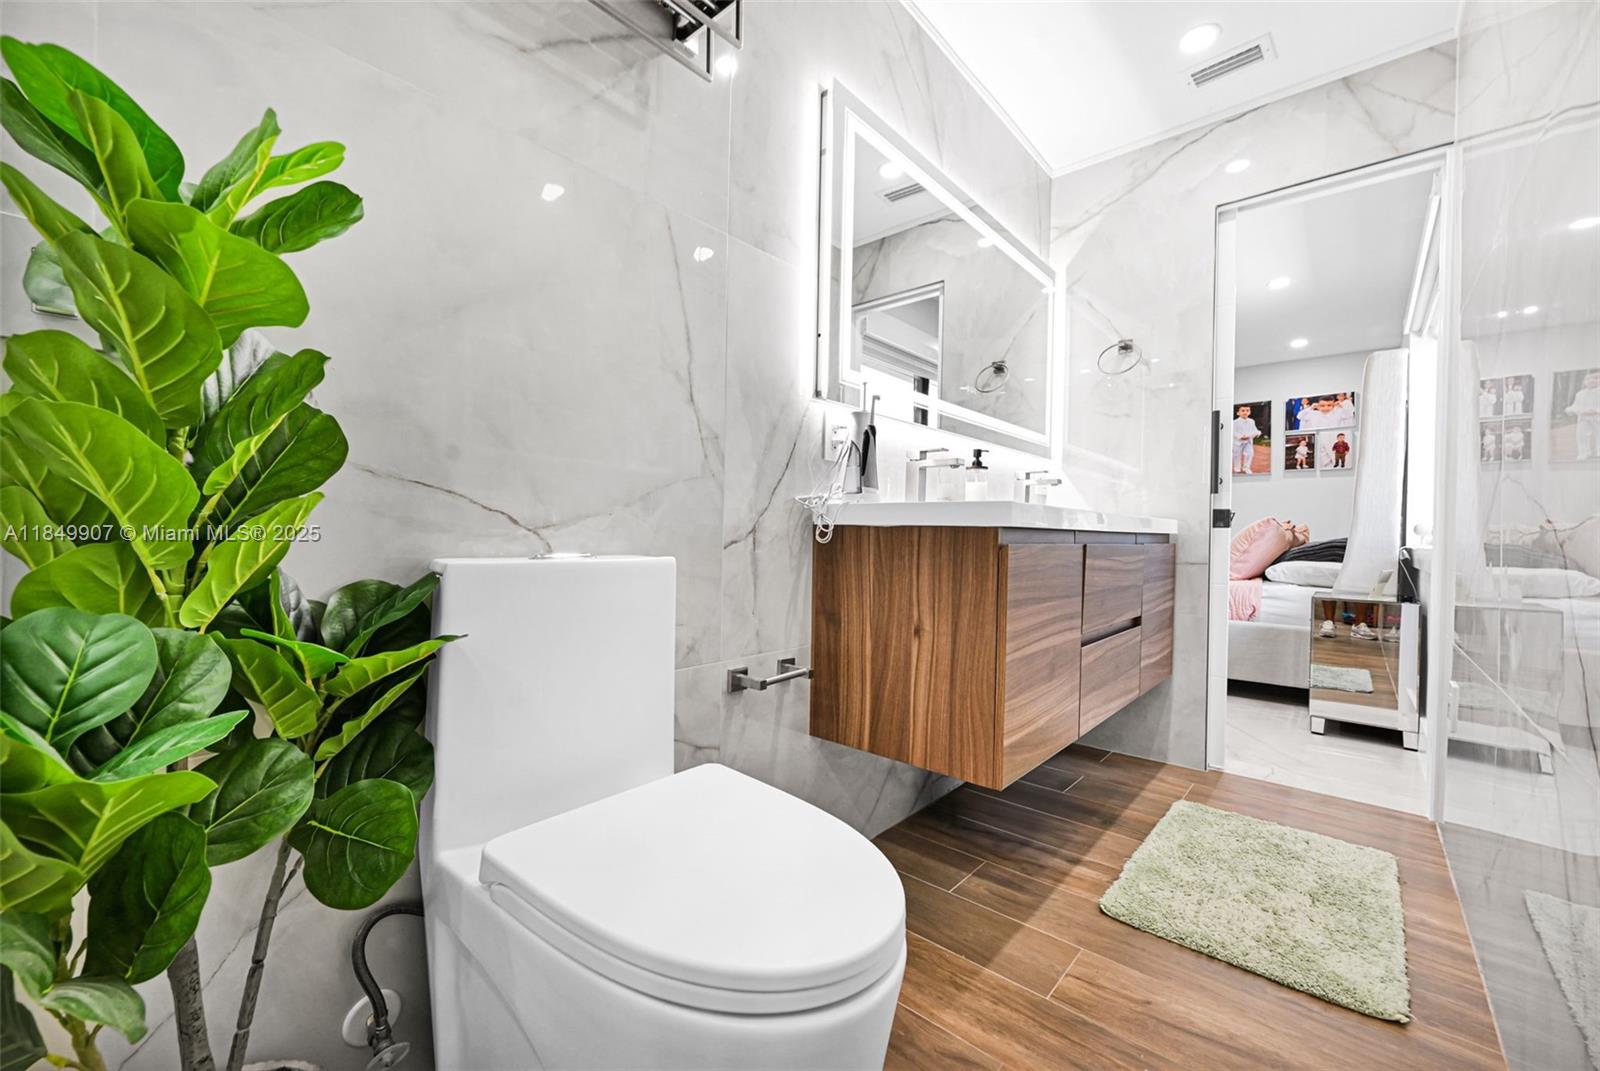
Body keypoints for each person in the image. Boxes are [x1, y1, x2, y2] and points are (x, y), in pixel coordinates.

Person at [1567, 369, 1600, 460]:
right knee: (1582, 435)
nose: (1592, 381)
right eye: (1588, 379)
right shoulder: (1580, 394)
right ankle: (1584, 452)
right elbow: (1576, 406)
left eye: (1596, 378)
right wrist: (1576, 410)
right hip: (1584, 418)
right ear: (1584, 381)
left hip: (1597, 418)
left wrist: (1596, 411)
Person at [1232, 404, 1260, 474]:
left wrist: (1256, 433)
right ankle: (1237, 468)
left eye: (1247, 410)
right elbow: (1233, 432)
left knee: (1250, 454)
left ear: (1250, 412)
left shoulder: (1252, 421)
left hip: (1248, 441)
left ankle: (1246, 467)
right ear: (1238, 413)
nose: (1245, 412)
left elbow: (1254, 430)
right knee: (1236, 455)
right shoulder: (1234, 422)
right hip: (1238, 442)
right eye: (1243, 411)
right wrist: (1240, 436)